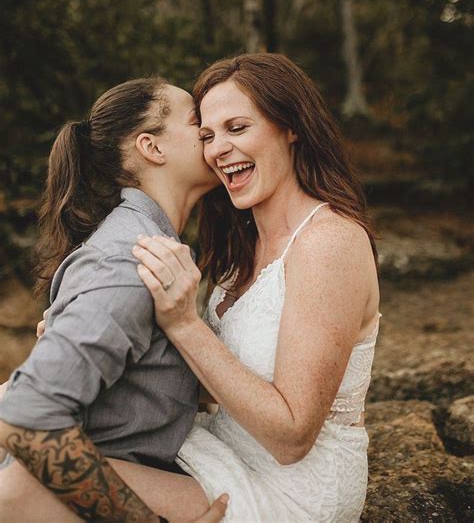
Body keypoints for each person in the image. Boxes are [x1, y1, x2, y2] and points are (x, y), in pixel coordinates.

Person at [132, 53, 381, 522]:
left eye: (237, 128)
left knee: (31, 479)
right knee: (41, 445)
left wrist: (186, 325)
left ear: (291, 127)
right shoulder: (241, 245)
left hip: (294, 492)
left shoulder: (329, 243)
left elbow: (291, 436)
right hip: (226, 452)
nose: (217, 149)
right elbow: (215, 389)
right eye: (207, 135)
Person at [0, 76, 228, 523]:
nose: (210, 131)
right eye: (197, 121)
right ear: (152, 147)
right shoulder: (129, 262)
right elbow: (26, 416)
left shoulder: (153, 248)